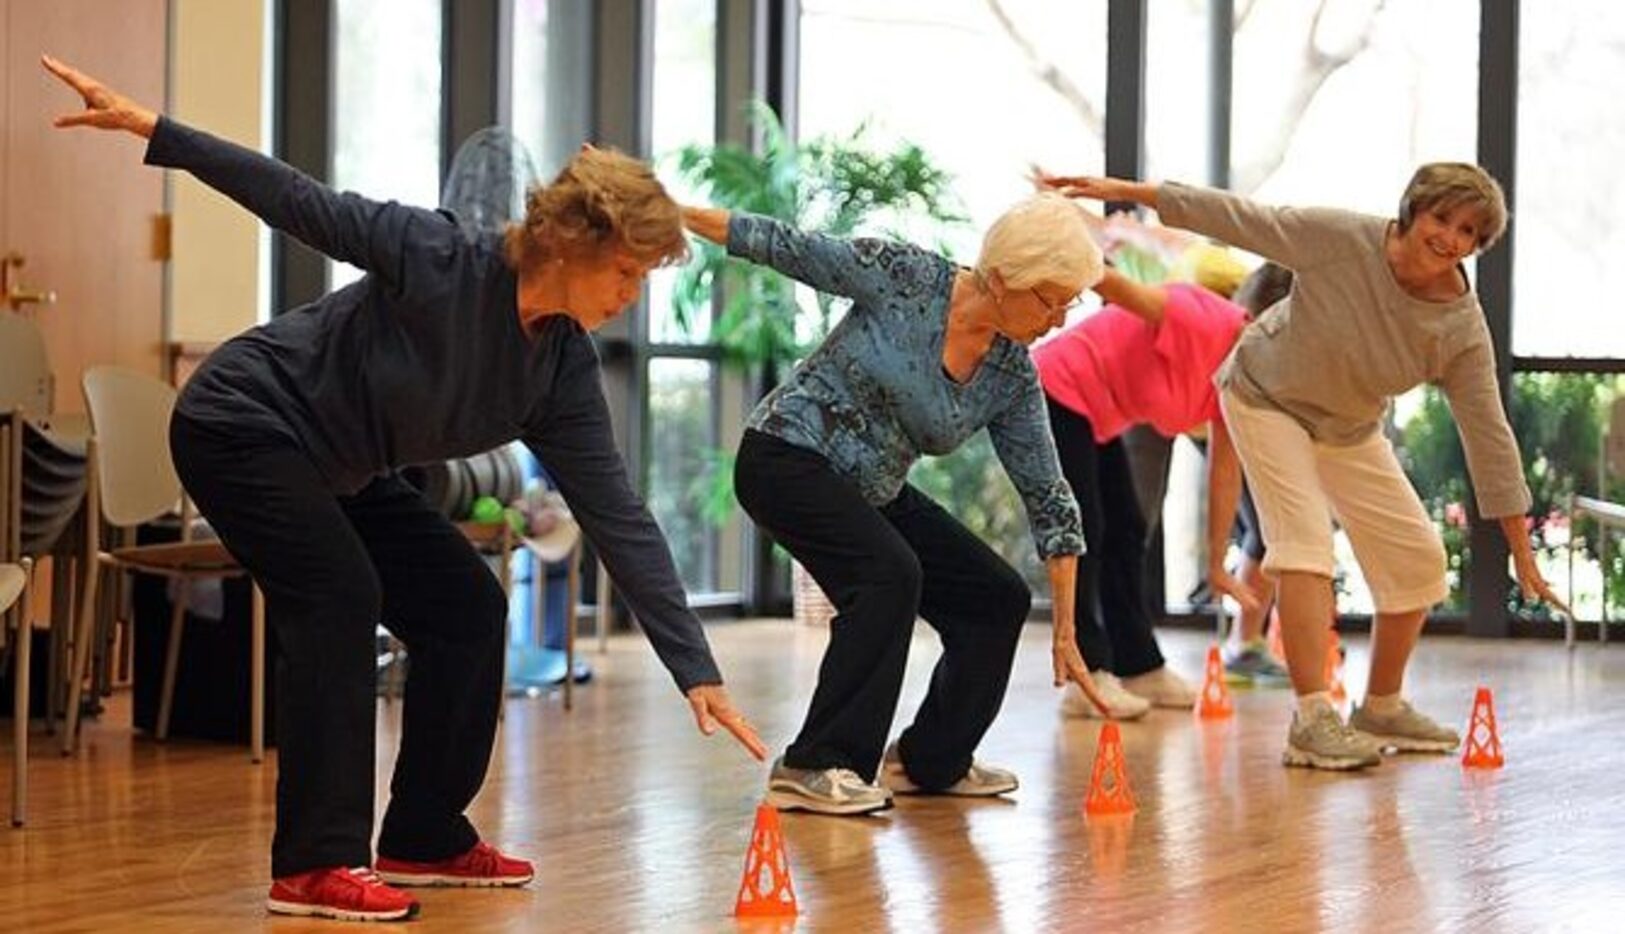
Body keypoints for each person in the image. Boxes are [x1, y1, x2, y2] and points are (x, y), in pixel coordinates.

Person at [44, 54, 765, 921]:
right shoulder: (439, 256)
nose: (631, 295)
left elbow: (617, 514)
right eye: (627, 273)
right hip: (241, 424)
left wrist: (696, 666)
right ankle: (313, 865)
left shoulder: (560, 370)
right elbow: (296, 197)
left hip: (342, 467)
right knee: (338, 592)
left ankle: (424, 834)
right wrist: (154, 130)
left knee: (466, 605)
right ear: (574, 245)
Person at [1040, 164, 1566, 771]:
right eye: (1442, 218)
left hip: (1347, 425)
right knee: (1302, 543)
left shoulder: (1460, 327)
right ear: (1413, 210)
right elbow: (1242, 218)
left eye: (1469, 232)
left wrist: (1521, 551)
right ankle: (1313, 718)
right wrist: (1127, 195)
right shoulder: (1342, 240)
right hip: (1265, 398)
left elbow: (1489, 434)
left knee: (1419, 559)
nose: (1450, 237)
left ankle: (1383, 706)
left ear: (1478, 246)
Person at [681, 194, 1109, 815]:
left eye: (1070, 302)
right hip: (786, 457)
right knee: (887, 573)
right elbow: (787, 246)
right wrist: (667, 211)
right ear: (1006, 277)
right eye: (1052, 299)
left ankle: (930, 760)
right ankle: (817, 762)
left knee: (996, 597)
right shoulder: (907, 278)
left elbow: (1049, 493)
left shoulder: (1011, 376)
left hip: (871, 489)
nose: (1061, 319)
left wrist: (1067, 626)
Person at [1033, 255, 1265, 719]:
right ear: (1261, 320)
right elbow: (1116, 286)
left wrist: (1217, 564)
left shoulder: (1248, 378)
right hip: (1055, 386)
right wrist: (1059, 243)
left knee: (1128, 528)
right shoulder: (1204, 319)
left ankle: (1139, 665)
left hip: (1097, 415)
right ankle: (1086, 673)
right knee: (1085, 530)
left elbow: (1224, 468)